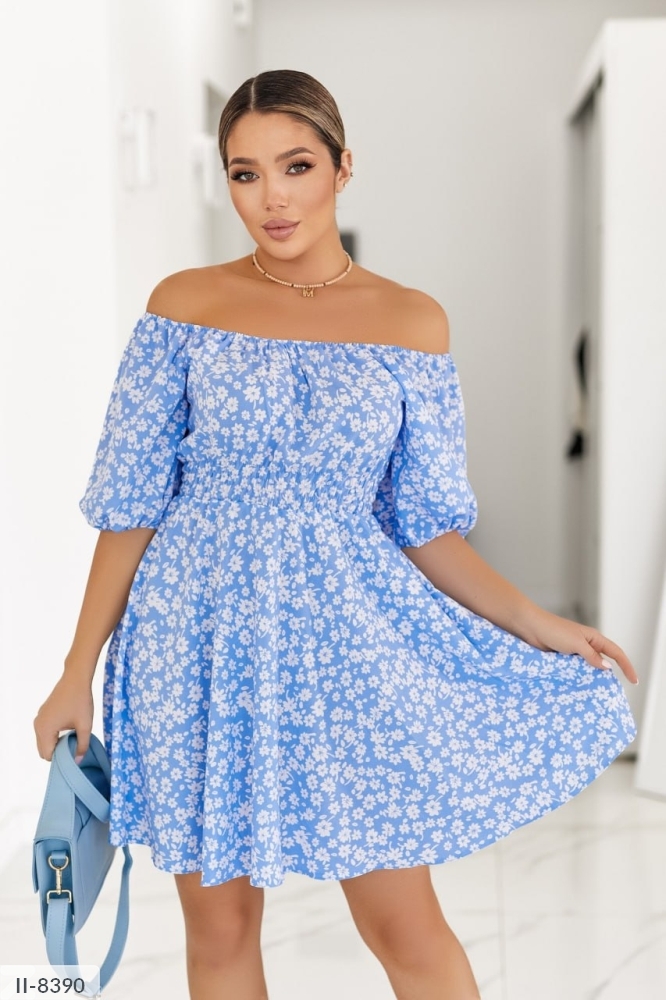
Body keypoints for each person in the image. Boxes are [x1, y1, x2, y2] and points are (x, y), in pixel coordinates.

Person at [33, 69, 638, 1000]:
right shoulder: (182, 306)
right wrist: (76, 670)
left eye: (297, 166)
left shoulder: (412, 322)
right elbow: (132, 506)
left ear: (343, 168)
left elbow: (425, 526)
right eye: (245, 174)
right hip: (192, 641)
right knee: (220, 931)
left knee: (405, 926)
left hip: (348, 647)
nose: (271, 199)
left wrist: (538, 622)